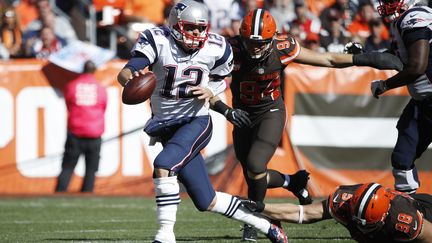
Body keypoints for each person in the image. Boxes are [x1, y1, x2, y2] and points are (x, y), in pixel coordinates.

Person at [210, 8, 404, 242]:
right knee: (253, 173)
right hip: (241, 113)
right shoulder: (229, 50)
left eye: (261, 43)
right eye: (250, 43)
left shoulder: (283, 47)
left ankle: (257, 220)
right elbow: (206, 83)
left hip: (269, 112)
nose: (255, 48)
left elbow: (327, 58)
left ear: (272, 38)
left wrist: (364, 59)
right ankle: (293, 181)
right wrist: (226, 110)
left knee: (254, 165)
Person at [117, 1, 288, 242]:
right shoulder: (157, 39)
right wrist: (129, 79)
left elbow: (222, 78)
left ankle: (164, 236)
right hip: (166, 126)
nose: (197, 34)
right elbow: (128, 70)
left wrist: (211, 91)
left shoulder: (217, 47)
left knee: (163, 165)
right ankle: (265, 225)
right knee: (206, 200)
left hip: (195, 121)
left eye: (201, 28)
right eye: (191, 28)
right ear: (176, 25)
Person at [370, 0, 432, 194]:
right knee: (402, 158)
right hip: (423, 103)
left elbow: (417, 66)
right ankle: (410, 213)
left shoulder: (415, 17)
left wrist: (385, 85)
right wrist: (364, 55)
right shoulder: (405, 20)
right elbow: (398, 56)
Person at [240, 182, 432, 242]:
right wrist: (262, 208)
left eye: (369, 225)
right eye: (358, 221)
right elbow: (303, 213)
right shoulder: (344, 202)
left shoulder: (404, 220)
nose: (361, 229)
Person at [55, 60, 107, 193]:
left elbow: (68, 104)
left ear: (82, 69)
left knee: (67, 167)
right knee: (91, 170)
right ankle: (87, 196)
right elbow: (103, 107)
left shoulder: (72, 86)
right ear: (94, 71)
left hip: (75, 132)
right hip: (94, 134)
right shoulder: (100, 88)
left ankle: (59, 195)